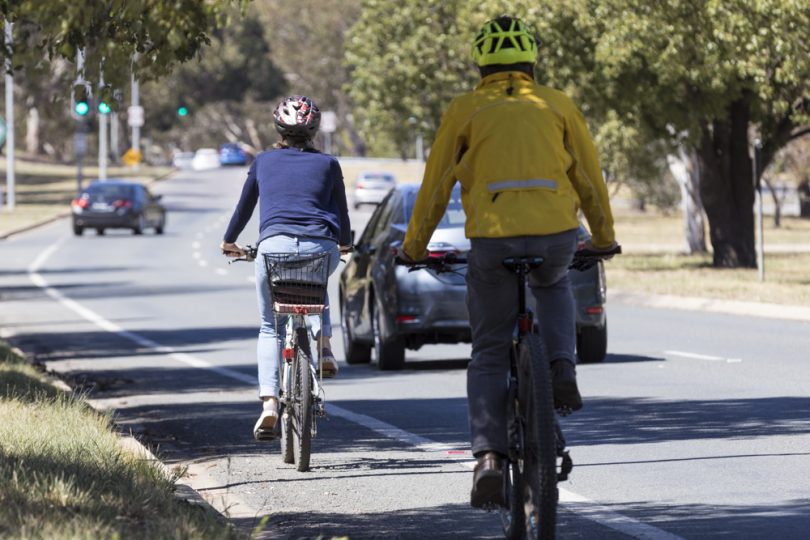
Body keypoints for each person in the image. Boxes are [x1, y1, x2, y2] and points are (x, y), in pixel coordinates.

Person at [400, 16, 618, 508]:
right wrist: (603, 238)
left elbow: (435, 185)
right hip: (556, 233)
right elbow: (588, 177)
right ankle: (562, 366)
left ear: (481, 65)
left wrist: (415, 247)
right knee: (554, 283)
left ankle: (489, 460)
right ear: (531, 62)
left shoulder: (465, 109)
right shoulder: (557, 104)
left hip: (493, 242)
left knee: (490, 351)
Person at [221, 95, 352, 440]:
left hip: (272, 249)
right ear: (313, 131)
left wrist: (229, 241)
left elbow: (244, 208)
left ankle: (268, 404)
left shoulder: (263, 162)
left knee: (269, 327)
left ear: (278, 128)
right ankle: (324, 346)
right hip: (320, 247)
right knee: (319, 284)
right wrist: (346, 243)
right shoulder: (328, 164)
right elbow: (342, 213)